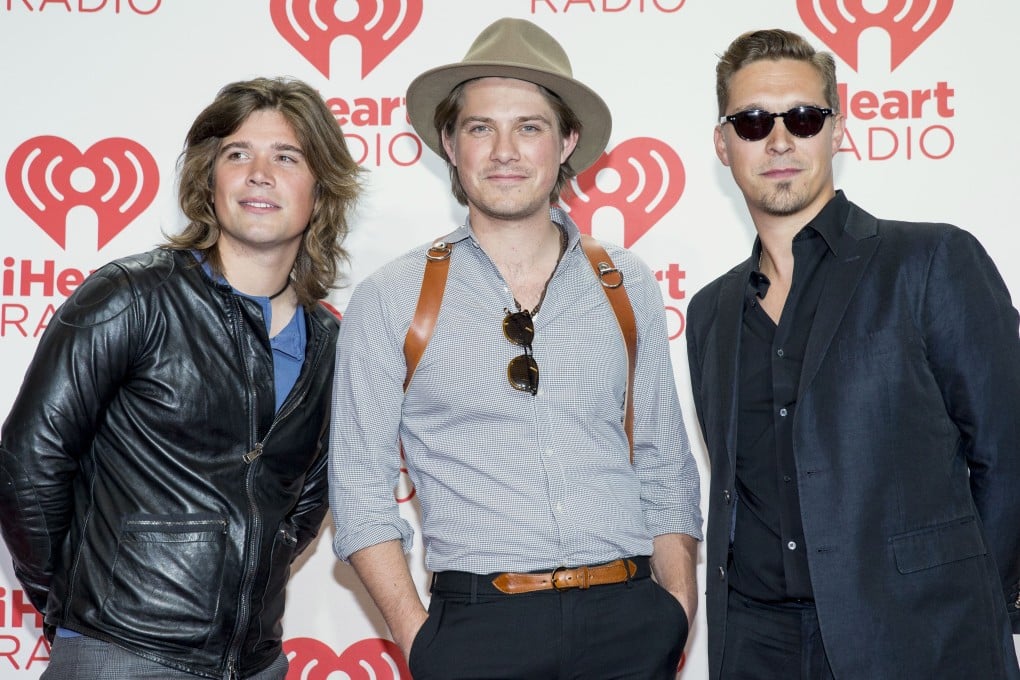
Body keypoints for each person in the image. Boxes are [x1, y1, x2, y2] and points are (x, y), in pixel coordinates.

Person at [328, 17, 702, 680]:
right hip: (477, 634)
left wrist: (675, 607)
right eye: (481, 128)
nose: (505, 151)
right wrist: (420, 640)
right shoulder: (392, 296)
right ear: (450, 143)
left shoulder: (625, 282)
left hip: (631, 624)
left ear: (567, 142)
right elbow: (359, 486)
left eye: (529, 127)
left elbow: (663, 462)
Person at [0, 77, 364, 679]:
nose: (259, 174)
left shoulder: (331, 342)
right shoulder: (130, 298)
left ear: (320, 187)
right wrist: (77, 605)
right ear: (209, 180)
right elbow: (27, 461)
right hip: (118, 655)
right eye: (238, 154)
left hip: (256, 662)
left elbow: (306, 502)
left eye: (287, 157)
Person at [686, 27, 1020, 680]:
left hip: (922, 640)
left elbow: (1009, 455)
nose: (779, 141)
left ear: (837, 131)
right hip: (757, 649)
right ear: (723, 144)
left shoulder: (930, 261)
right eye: (752, 122)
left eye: (803, 118)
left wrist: (976, 599)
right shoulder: (710, 312)